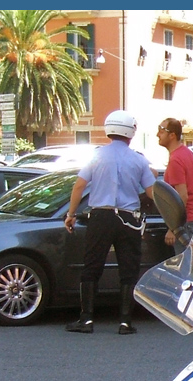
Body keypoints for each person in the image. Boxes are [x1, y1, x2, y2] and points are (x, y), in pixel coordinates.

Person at [64, 110, 156, 335]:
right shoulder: (139, 160)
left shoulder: (97, 156)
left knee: (92, 266)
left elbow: (79, 186)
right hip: (128, 218)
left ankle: (86, 319)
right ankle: (125, 321)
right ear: (131, 133)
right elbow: (153, 192)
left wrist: (71, 213)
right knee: (129, 268)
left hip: (101, 216)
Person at [158, 118, 193, 255]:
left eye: (161, 130)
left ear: (172, 135)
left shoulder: (175, 160)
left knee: (185, 268)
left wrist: (173, 229)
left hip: (185, 224)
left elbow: (182, 196)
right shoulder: (187, 153)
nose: (157, 134)